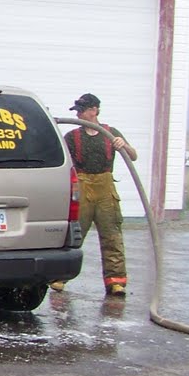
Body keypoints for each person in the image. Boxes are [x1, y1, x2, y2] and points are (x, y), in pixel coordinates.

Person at [55, 92, 137, 298]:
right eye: (78, 111)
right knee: (74, 234)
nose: (80, 115)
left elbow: (133, 156)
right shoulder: (72, 137)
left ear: (94, 110)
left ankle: (116, 282)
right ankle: (58, 277)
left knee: (112, 236)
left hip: (105, 188)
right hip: (82, 187)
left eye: (82, 110)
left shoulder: (111, 133)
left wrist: (123, 145)